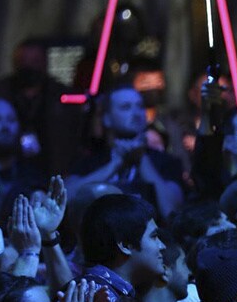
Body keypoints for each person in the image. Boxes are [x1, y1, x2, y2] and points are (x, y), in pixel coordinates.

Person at [68, 84, 184, 218]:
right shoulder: (89, 163)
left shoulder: (167, 162)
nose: (136, 113)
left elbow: (172, 212)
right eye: (126, 107)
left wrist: (142, 160)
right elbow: (64, 200)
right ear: (107, 118)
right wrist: (113, 166)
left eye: (140, 106)